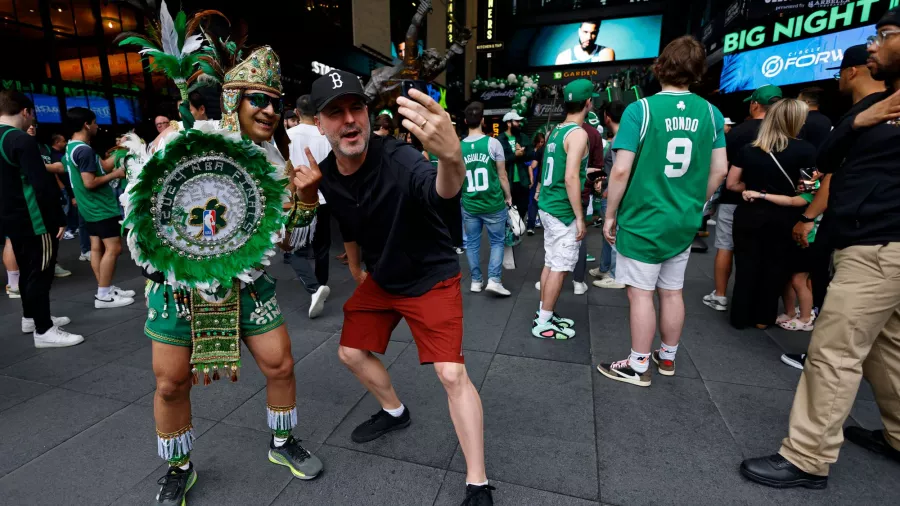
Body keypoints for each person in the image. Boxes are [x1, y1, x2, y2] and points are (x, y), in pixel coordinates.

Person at [140, 46, 324, 506]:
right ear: (233, 99)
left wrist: (307, 199)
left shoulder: (274, 161)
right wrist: (161, 262)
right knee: (170, 383)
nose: (269, 110)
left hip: (246, 285)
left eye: (276, 102)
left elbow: (288, 244)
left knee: (280, 364)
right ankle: (179, 468)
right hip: (179, 287)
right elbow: (141, 212)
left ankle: (282, 444)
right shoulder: (178, 140)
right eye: (258, 99)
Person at [308, 70, 495, 505]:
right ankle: (396, 411)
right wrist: (356, 269)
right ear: (320, 123)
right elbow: (346, 224)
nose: (349, 120)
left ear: (369, 113)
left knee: (451, 373)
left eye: (356, 108)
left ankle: (478, 483)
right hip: (383, 279)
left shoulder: (399, 158)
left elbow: (439, 193)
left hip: (430, 275)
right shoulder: (326, 176)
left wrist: (451, 159)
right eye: (336, 113)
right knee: (350, 351)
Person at [740, 9, 900, 488]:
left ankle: (807, 458)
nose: (873, 45)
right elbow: (827, 159)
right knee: (886, 350)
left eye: (886, 36)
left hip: (880, 246)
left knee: (834, 352)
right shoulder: (876, 104)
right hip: (865, 242)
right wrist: (861, 122)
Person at [596, 36, 727, 387]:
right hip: (682, 220)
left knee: (640, 293)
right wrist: (697, 203)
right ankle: (667, 356)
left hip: (643, 219)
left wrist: (610, 214)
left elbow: (621, 170)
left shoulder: (642, 109)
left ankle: (639, 364)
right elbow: (720, 170)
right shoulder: (711, 113)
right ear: (698, 71)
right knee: (672, 291)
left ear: (660, 67)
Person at [781, 43, 887, 370]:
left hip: (862, 235)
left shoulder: (865, 114)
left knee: (836, 339)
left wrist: (807, 217)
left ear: (851, 72)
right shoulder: (861, 113)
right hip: (870, 231)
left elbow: (834, 173)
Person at [726, 99, 816, 330]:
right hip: (784, 217)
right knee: (774, 267)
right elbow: (808, 191)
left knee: (746, 266)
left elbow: (732, 183)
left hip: (749, 214)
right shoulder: (807, 151)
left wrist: (753, 191)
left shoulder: (749, 149)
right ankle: (763, 318)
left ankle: (740, 316)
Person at [0, 90, 81, 347]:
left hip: (11, 218)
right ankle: (44, 330)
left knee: (27, 271)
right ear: (25, 112)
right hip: (34, 218)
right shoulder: (21, 140)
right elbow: (40, 182)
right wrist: (58, 217)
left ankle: (31, 317)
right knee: (41, 272)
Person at [703, 84, 782, 312]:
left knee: (726, 245)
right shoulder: (784, 132)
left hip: (733, 198)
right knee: (762, 251)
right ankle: (758, 300)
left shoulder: (738, 132)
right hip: (773, 201)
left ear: (755, 104)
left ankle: (720, 295)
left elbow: (721, 167)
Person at [532, 79, 593, 339]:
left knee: (551, 262)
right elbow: (570, 178)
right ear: (588, 103)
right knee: (559, 266)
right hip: (561, 209)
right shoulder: (578, 133)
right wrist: (580, 217)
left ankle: (544, 312)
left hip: (548, 205)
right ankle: (543, 322)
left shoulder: (556, 130)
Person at [63, 107, 135, 309]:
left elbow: (103, 164)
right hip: (99, 207)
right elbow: (90, 182)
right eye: (94, 122)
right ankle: (103, 295)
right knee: (114, 248)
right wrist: (117, 175)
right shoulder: (84, 150)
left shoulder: (73, 147)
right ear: (86, 124)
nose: (97, 126)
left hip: (89, 208)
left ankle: (106, 287)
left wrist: (122, 150)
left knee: (97, 248)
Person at [287, 94, 333, 319]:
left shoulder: (287, 135)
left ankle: (315, 287)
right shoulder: (325, 134)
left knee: (297, 248)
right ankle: (321, 283)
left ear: (296, 112)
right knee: (323, 246)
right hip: (324, 197)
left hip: (298, 197)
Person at [460, 101, 512, 296]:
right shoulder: (493, 143)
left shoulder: (458, 147)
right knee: (497, 241)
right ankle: (494, 279)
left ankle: (475, 281)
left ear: (465, 121)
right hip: (493, 203)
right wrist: (508, 196)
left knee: (472, 242)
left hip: (470, 204)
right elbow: (502, 175)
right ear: (482, 120)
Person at [568, 108, 606, 295]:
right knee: (578, 234)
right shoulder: (592, 134)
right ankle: (577, 280)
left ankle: (552, 280)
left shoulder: (557, 131)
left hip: (558, 194)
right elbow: (598, 167)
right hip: (580, 191)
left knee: (553, 238)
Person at [589, 100, 626, 290]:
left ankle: (615, 274)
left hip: (613, 195)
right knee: (607, 233)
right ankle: (605, 267)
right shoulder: (619, 138)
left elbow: (621, 171)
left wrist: (610, 190)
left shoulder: (620, 139)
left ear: (607, 117)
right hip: (608, 191)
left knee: (612, 233)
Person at [500, 111, 534, 224]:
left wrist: (523, 154)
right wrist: (515, 155)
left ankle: (517, 226)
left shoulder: (523, 137)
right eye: (516, 121)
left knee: (523, 207)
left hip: (522, 180)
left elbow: (531, 154)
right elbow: (500, 160)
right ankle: (511, 230)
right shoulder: (500, 140)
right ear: (509, 123)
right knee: (508, 209)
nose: (519, 123)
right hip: (507, 182)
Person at [526, 131, 545, 234]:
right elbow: (531, 165)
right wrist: (531, 178)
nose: (542, 144)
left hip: (539, 179)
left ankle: (532, 224)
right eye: (540, 142)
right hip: (539, 179)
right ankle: (532, 222)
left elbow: (532, 165)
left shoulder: (540, 151)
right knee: (533, 202)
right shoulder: (537, 151)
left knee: (535, 201)